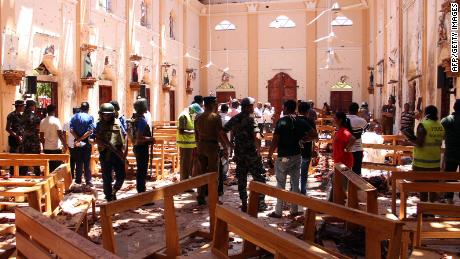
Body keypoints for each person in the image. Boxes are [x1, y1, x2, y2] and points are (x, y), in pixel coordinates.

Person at [267, 100, 315, 218]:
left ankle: (278, 211)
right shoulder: (300, 121)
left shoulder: (281, 122)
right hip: (297, 156)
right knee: (295, 183)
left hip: (283, 157)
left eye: (283, 107)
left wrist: (269, 155)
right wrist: (304, 140)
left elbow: (275, 141)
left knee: (280, 185)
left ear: (287, 108)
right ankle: (294, 209)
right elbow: (314, 134)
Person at [224, 97, 267, 212]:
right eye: (252, 106)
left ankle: (244, 203)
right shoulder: (251, 119)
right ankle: (260, 203)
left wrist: (229, 145)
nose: (253, 108)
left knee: (242, 179)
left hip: (239, 155)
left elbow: (222, 131)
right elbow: (257, 136)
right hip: (252, 155)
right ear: (248, 107)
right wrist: (259, 150)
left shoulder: (235, 119)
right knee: (259, 179)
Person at [195, 96, 231, 205]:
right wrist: (225, 147)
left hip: (201, 146)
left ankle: (200, 196)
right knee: (214, 174)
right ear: (212, 104)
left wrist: (197, 145)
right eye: (216, 103)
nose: (217, 105)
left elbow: (195, 134)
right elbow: (220, 134)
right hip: (212, 147)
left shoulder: (198, 117)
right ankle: (213, 197)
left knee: (201, 172)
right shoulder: (215, 117)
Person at [410, 105, 445, 202]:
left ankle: (424, 213)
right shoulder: (440, 126)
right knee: (432, 188)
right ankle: (431, 210)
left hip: (421, 163)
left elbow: (419, 143)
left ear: (426, 114)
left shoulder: (423, 125)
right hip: (435, 163)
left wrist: (410, 139)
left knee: (422, 189)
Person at [94, 103, 126, 201]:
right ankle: (109, 197)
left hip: (117, 153)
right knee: (107, 178)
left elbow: (125, 135)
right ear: (101, 114)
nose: (106, 116)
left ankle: (114, 191)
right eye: (104, 114)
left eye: (108, 114)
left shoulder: (118, 123)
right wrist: (102, 144)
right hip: (105, 154)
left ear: (112, 114)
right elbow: (94, 138)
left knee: (121, 177)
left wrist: (124, 152)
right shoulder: (98, 125)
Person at [130, 98, 154, 193]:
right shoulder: (142, 121)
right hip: (141, 148)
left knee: (141, 170)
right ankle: (141, 192)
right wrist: (150, 139)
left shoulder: (134, 118)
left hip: (137, 147)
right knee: (142, 171)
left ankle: (141, 190)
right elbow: (139, 137)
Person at [70, 102, 94, 186]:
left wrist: (78, 139)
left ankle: (78, 180)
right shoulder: (90, 117)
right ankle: (88, 181)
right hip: (86, 142)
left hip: (77, 142)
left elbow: (71, 130)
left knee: (78, 161)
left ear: (80, 108)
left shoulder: (74, 117)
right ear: (88, 109)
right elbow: (89, 131)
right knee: (87, 162)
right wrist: (81, 139)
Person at [177, 103, 202, 182]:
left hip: (190, 144)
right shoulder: (183, 116)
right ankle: (184, 184)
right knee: (185, 165)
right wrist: (194, 132)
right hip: (185, 144)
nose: (196, 114)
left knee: (189, 165)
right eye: (195, 112)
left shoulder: (190, 115)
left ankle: (187, 182)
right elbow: (181, 131)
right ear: (191, 110)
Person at [297, 102, 318, 195]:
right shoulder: (310, 121)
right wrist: (306, 140)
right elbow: (316, 138)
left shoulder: (294, 120)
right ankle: (303, 191)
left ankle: (293, 191)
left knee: (294, 172)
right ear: (308, 110)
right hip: (306, 150)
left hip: (294, 151)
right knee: (304, 172)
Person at [441, 99, 460, 203]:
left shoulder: (446, 120)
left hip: (451, 152)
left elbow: (441, 135)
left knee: (450, 176)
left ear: (454, 107)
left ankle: (449, 199)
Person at [39, 105, 67, 172]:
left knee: (49, 167)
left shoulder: (42, 121)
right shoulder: (56, 120)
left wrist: (44, 146)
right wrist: (65, 145)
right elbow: (60, 134)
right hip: (56, 148)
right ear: (54, 111)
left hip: (47, 148)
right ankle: (55, 182)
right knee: (56, 168)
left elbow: (41, 136)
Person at [21, 100, 42, 176]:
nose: (35, 107)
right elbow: (38, 128)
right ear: (31, 106)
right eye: (34, 106)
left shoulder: (22, 115)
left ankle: (23, 175)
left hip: (25, 140)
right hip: (34, 140)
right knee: (36, 158)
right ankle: (37, 175)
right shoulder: (35, 116)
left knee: (25, 159)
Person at [347, 103, 368, 175]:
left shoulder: (344, 120)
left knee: (346, 169)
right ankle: (355, 185)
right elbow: (366, 129)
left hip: (346, 147)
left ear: (348, 110)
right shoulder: (361, 120)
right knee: (357, 170)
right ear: (357, 111)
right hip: (358, 147)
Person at [6, 100, 25, 174]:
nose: (24, 107)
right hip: (14, 141)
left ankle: (20, 174)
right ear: (19, 107)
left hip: (21, 140)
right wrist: (17, 136)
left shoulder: (22, 116)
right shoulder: (11, 115)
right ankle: (13, 174)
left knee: (21, 158)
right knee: (14, 159)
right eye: (23, 106)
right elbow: (8, 128)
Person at [63, 107, 79, 178]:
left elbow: (63, 132)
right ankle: (78, 175)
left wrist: (65, 142)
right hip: (79, 142)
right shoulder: (79, 120)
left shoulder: (67, 120)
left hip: (70, 143)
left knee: (72, 159)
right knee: (79, 159)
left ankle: (72, 174)